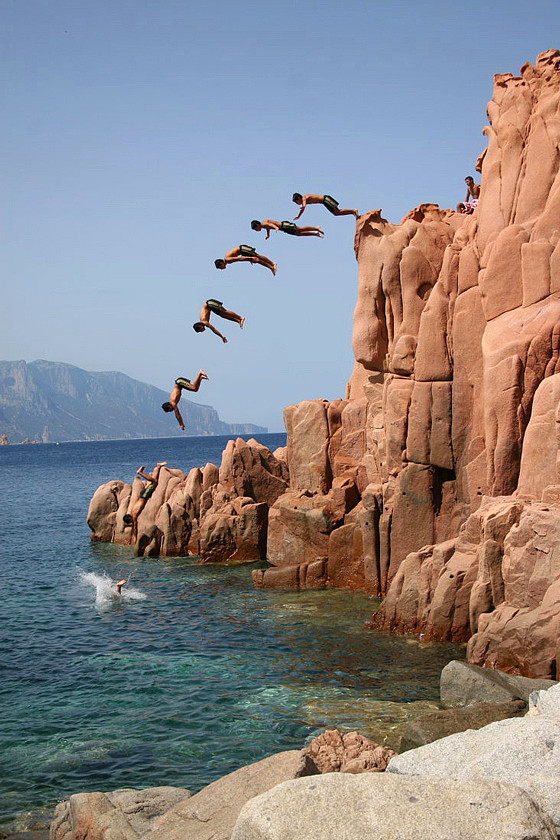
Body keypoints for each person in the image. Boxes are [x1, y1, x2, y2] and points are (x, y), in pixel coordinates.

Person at [123, 462, 167, 543]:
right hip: (143, 495)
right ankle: (158, 466)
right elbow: (134, 527)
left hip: (144, 496)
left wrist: (134, 537)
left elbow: (135, 526)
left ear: (130, 518)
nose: (132, 522)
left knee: (154, 482)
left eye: (130, 521)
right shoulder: (133, 512)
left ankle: (140, 473)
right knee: (154, 481)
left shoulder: (134, 515)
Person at [292, 193, 359, 220]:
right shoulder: (304, 199)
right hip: (325, 201)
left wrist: (303, 207)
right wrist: (299, 216)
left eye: (296, 201)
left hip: (326, 200)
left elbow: (304, 205)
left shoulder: (304, 198)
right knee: (336, 213)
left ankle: (353, 211)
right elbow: (303, 208)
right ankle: (352, 211)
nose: (297, 203)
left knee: (337, 212)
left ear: (299, 198)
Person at [251, 219, 324, 239]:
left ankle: (316, 228)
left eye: (256, 229)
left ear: (257, 225)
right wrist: (268, 235)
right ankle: (315, 234)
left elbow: (269, 225)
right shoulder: (263, 225)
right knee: (298, 234)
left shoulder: (263, 224)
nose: (256, 230)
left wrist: (275, 227)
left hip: (284, 225)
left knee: (300, 229)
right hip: (284, 229)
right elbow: (268, 227)